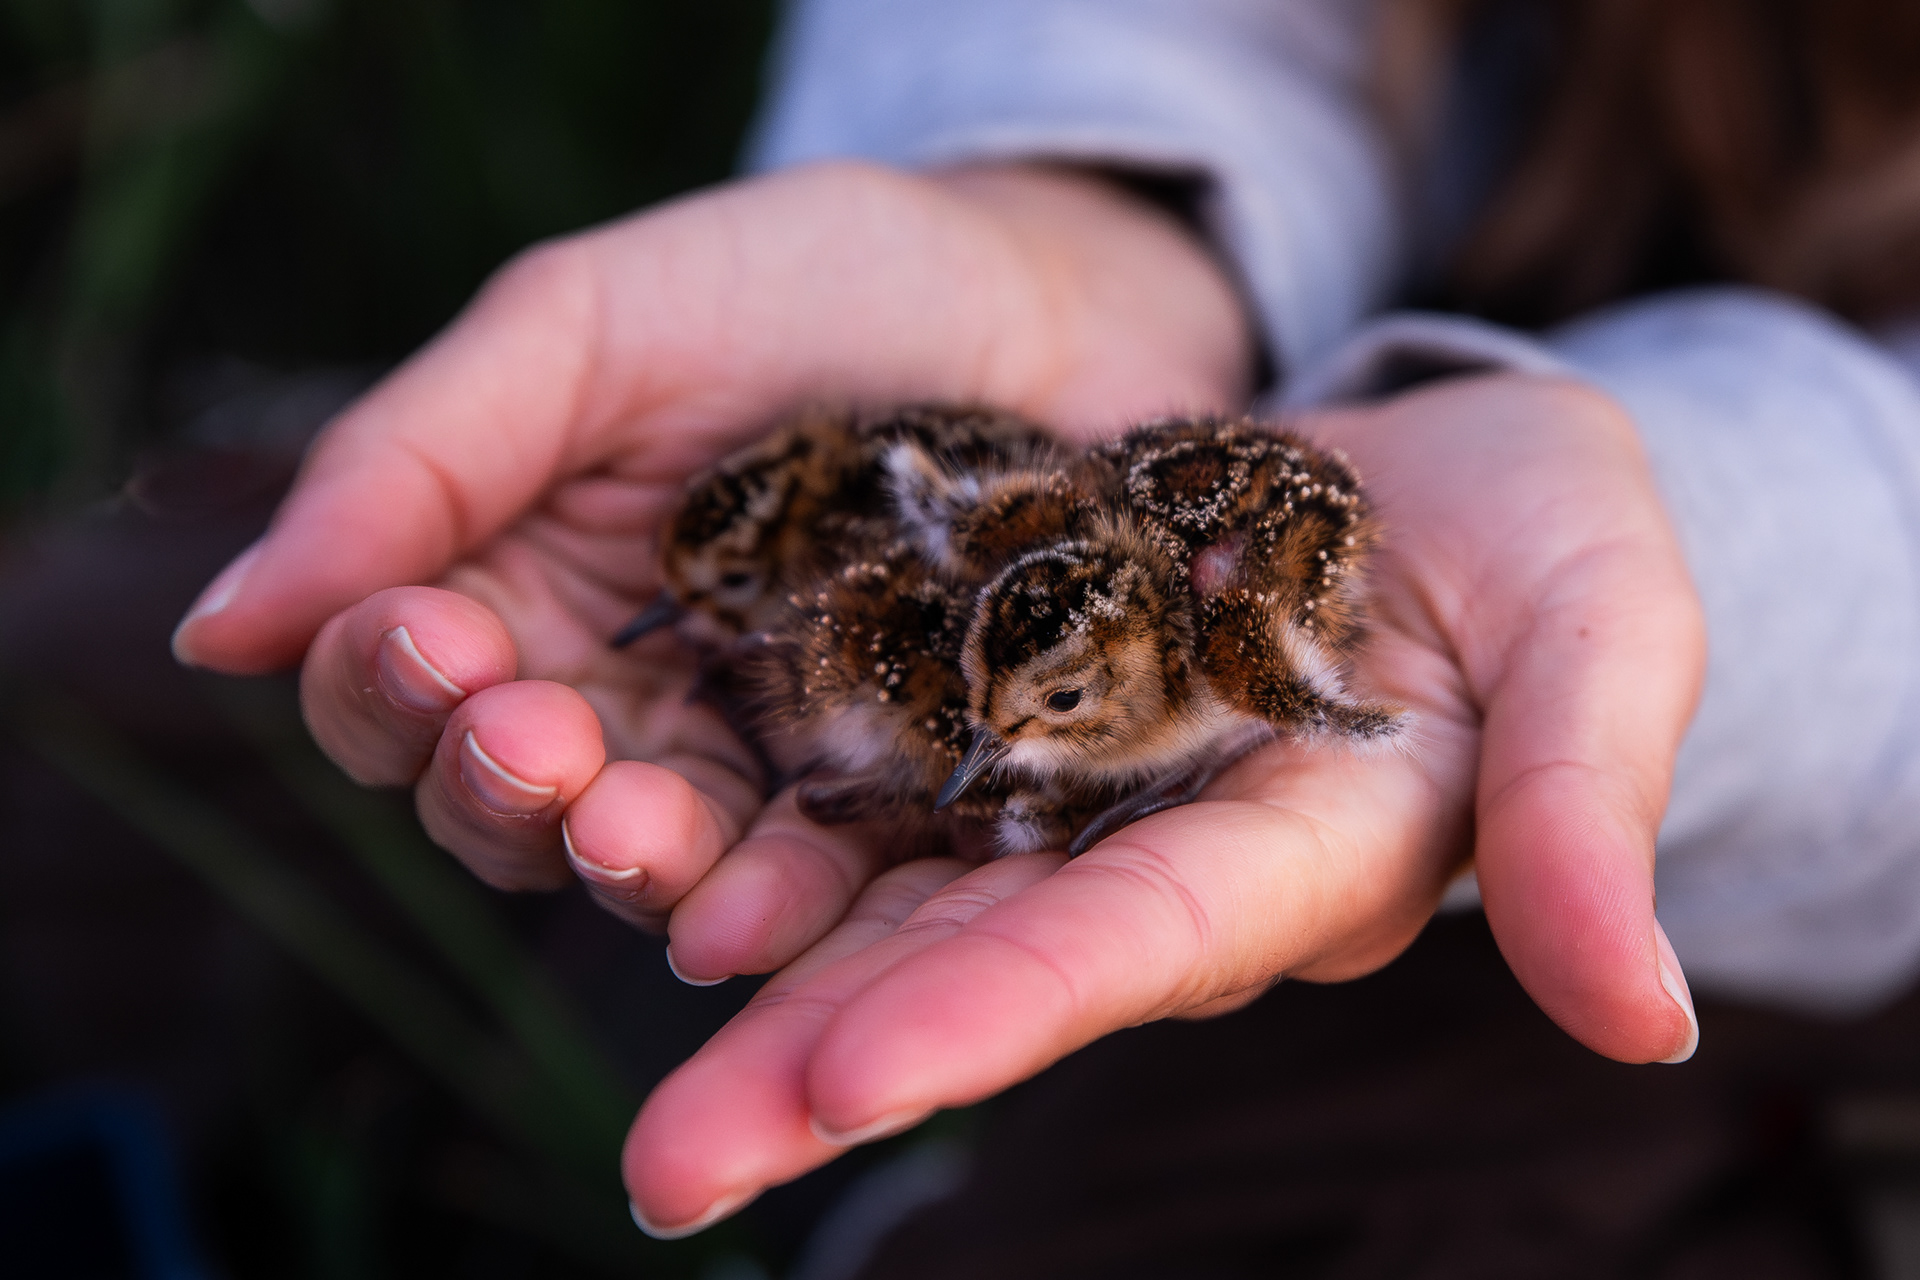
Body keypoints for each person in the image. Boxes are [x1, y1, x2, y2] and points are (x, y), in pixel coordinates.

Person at [169, 0, 1920, 1250]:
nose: (996, 737)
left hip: (1807, 848)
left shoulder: (1232, 648)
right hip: (1275, 342)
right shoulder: (989, 589)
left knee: (1091, 1199)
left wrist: (1693, 548)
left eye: (1047, 702)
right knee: (151, 787)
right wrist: (1084, 198)